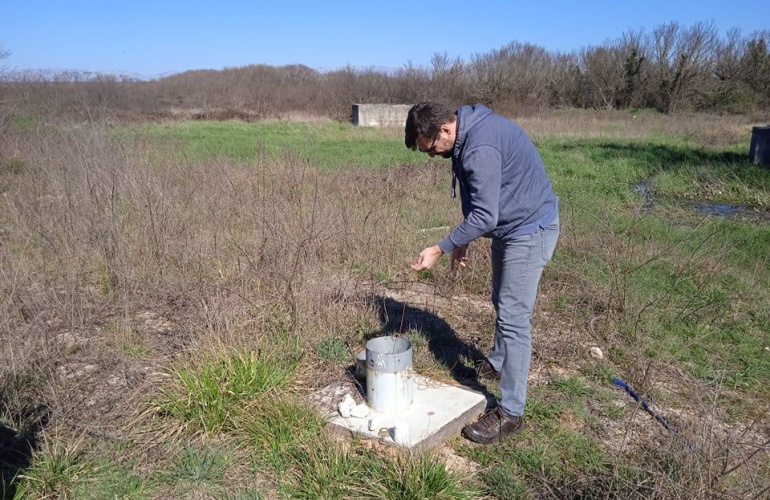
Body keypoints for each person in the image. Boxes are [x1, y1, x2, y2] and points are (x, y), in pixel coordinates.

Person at [404, 102, 559, 445]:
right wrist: (463, 242)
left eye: (428, 148)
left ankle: (511, 413)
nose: (430, 156)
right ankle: (500, 361)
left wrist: (441, 247)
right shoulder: (466, 136)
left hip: (529, 230)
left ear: (444, 130)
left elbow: (485, 215)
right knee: (500, 301)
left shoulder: (480, 146)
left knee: (514, 319)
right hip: (511, 228)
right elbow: (479, 201)